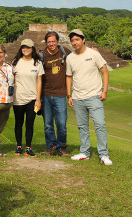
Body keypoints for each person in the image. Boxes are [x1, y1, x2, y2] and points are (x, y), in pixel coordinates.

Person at [65, 29, 113, 166]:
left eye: (77, 39)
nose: (75, 42)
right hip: (78, 97)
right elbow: (68, 76)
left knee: (100, 124)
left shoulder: (93, 54)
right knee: (82, 126)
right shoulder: (70, 58)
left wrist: (105, 91)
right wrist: (69, 95)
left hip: (94, 96)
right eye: (72, 40)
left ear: (83, 39)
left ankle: (103, 154)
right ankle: (85, 152)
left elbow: (105, 72)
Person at [39, 31, 72, 157]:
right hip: (46, 94)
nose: (51, 44)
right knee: (48, 124)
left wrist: (93, 51)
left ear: (57, 41)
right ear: (46, 43)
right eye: (49, 42)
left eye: (53, 41)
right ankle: (51, 147)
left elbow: (78, 56)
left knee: (61, 123)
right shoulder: (42, 54)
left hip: (60, 94)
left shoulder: (65, 52)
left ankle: (62, 147)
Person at [11, 39, 44, 157]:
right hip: (18, 98)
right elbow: (11, 80)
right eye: (23, 47)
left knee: (30, 124)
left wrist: (38, 99)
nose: (25, 49)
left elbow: (39, 81)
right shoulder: (15, 62)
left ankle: (28, 148)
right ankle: (19, 146)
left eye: (28, 47)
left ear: (32, 49)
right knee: (18, 123)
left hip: (32, 99)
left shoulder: (37, 63)